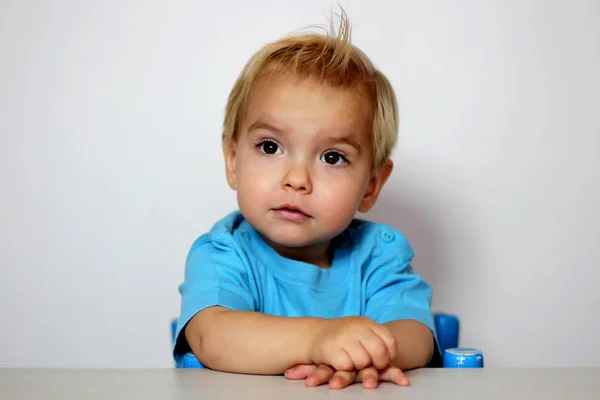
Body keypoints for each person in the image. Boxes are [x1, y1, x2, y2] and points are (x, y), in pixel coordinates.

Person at [173, 9, 441, 389]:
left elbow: (417, 335)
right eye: (270, 147)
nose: (297, 180)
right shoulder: (224, 252)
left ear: (370, 186)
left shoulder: (378, 256)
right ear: (233, 161)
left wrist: (361, 356)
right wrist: (319, 341)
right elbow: (211, 336)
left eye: (332, 157)